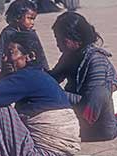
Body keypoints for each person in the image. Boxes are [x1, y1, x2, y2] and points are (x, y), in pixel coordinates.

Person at [0, 31, 81, 156]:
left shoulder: (27, 77)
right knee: (4, 107)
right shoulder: (39, 76)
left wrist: (4, 79)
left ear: (30, 56)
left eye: (10, 53)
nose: (4, 59)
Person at [49, 11, 117, 141]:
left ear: (77, 39)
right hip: (80, 114)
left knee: (99, 92)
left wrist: (54, 92)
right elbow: (53, 78)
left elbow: (88, 102)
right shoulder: (69, 56)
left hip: (101, 124)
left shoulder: (96, 60)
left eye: (62, 40)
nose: (58, 44)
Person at [0, 0, 49, 80]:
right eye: (29, 18)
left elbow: (40, 52)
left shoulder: (32, 34)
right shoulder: (7, 33)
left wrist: (45, 69)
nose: (32, 22)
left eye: (33, 19)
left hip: (31, 67)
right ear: (18, 17)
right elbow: (0, 50)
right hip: (12, 67)